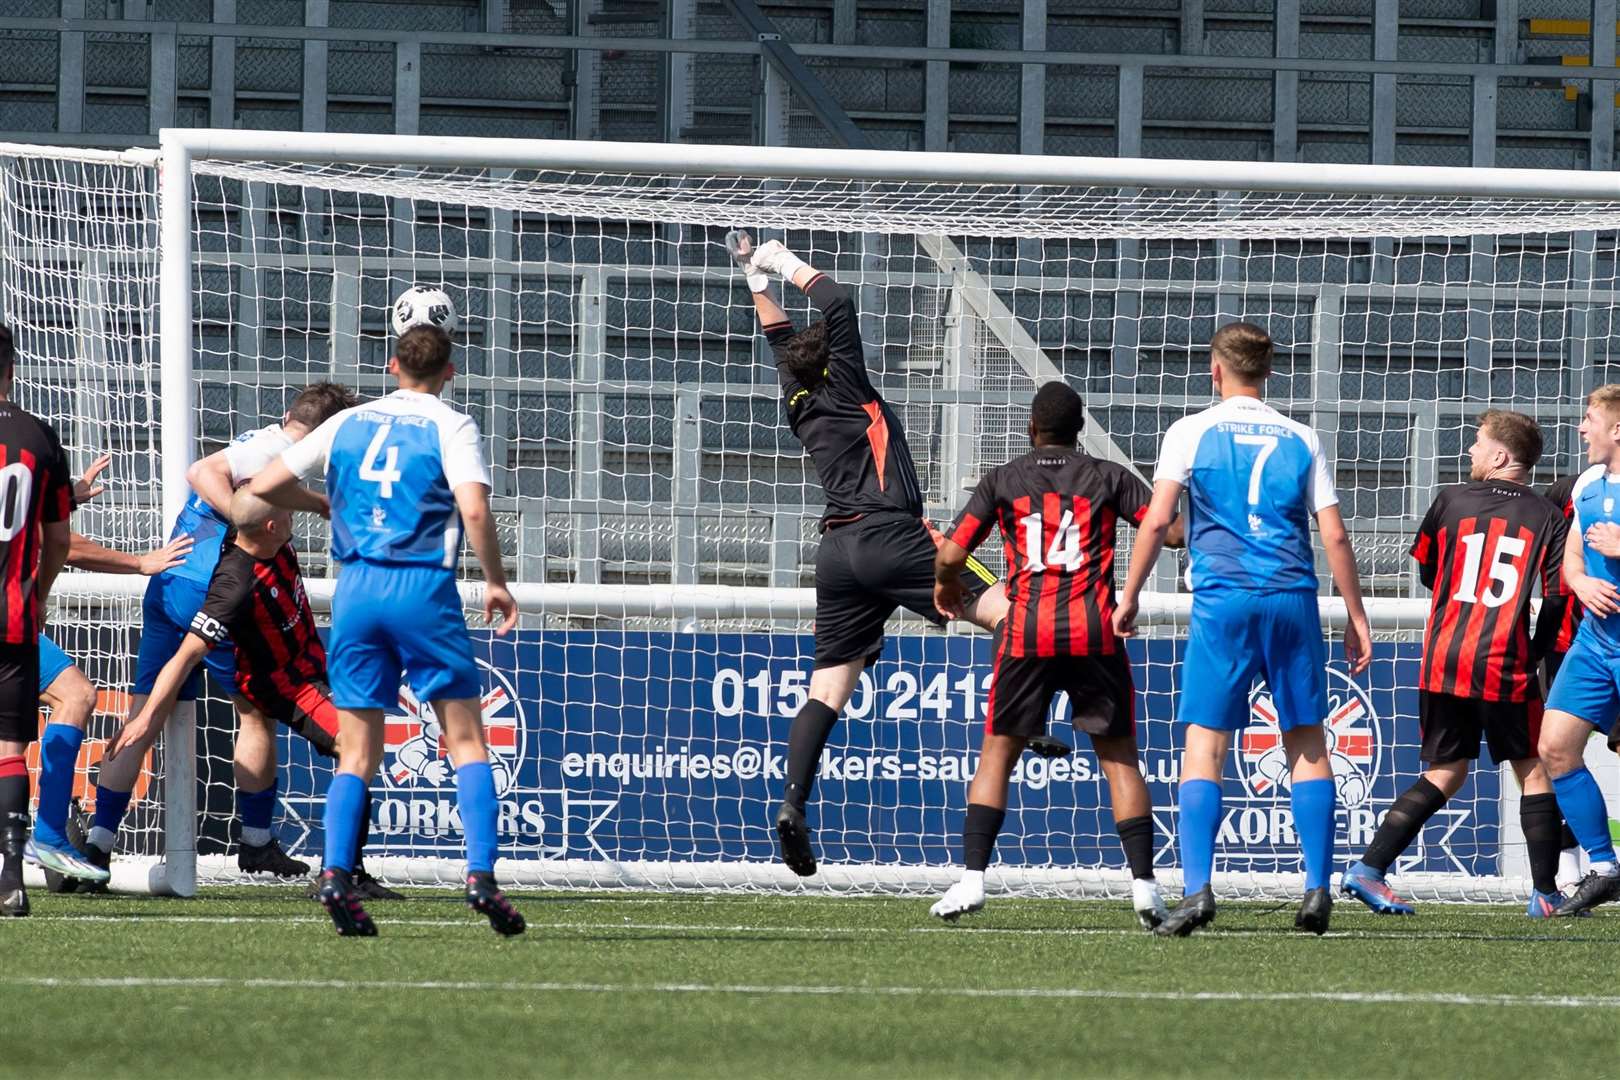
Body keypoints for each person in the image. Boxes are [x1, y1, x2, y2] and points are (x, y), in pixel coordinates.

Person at [725, 229, 1008, 878]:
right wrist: (782, 262)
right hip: (893, 535)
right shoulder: (846, 379)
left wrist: (752, 280)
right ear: (836, 359)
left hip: (838, 552)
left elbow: (780, 339)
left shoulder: (798, 398)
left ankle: (793, 804)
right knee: (1013, 610)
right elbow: (840, 305)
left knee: (827, 687)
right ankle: (1028, 719)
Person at [250, 324, 522, 936]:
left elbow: (265, 484)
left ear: (392, 363)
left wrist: (324, 504)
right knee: (467, 742)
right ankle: (480, 876)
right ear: (449, 371)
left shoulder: (348, 423)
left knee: (357, 749)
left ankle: (336, 874)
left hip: (357, 590)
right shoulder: (451, 424)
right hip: (422, 589)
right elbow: (474, 508)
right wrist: (498, 581)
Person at [1114, 321, 1371, 937]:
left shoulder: (1190, 432)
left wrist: (1129, 596)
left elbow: (1156, 522)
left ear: (1215, 369)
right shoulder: (1301, 436)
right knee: (1307, 739)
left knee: (1205, 743)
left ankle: (1198, 889)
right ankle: (1316, 891)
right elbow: (1333, 533)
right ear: (1269, 373)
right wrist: (1357, 616)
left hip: (1223, 600)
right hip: (1290, 598)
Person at [929, 382, 1183, 929]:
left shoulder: (1004, 479)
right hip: (1095, 629)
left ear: (1030, 427)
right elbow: (1175, 531)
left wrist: (946, 585)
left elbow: (951, 553)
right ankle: (1144, 889)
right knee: (1119, 760)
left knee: (997, 754)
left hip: (1028, 631)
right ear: (1080, 428)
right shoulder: (1108, 476)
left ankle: (973, 879)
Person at [84, 382, 356, 882]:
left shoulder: (268, 441)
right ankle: (255, 843)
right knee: (254, 711)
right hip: (214, 586)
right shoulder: (279, 454)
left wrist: (312, 502)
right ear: (328, 436)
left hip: (172, 578)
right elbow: (201, 471)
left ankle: (98, 843)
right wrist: (241, 517)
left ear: (288, 411)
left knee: (147, 711)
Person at [107, 490, 399, 899]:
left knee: (364, 744)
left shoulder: (270, 539)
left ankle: (338, 867)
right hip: (283, 684)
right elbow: (187, 655)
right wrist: (143, 717)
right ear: (272, 525)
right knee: (358, 746)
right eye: (286, 511)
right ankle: (341, 872)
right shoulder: (235, 585)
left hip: (310, 667)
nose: (293, 514)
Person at [1339, 411, 1574, 917]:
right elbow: (1556, 599)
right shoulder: (1548, 517)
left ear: (1500, 457)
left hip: (1443, 658)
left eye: (1476, 444)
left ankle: (1369, 868)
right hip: (1503, 662)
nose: (1468, 452)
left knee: (1446, 771)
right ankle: (1545, 894)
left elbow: (1428, 568)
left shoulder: (1450, 500)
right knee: (1533, 770)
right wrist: (1533, 650)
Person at [28, 449, 193, 891]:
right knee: (74, 696)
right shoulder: (20, 438)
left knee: (55, 704)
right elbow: (60, 543)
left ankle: (46, 842)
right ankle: (46, 837)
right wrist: (141, 562)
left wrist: (65, 502)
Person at [1536, 385, 1620, 915]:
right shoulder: (1588, 482)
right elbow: (1571, 558)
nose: (1581, 428)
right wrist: (1581, 583)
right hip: (1595, 640)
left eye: (1589, 419)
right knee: (1555, 748)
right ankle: (1605, 867)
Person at [0, 323, 75, 917]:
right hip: (13, 617)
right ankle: (11, 877)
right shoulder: (37, 437)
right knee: (8, 748)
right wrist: (41, 590)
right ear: (11, 370)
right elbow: (58, 540)